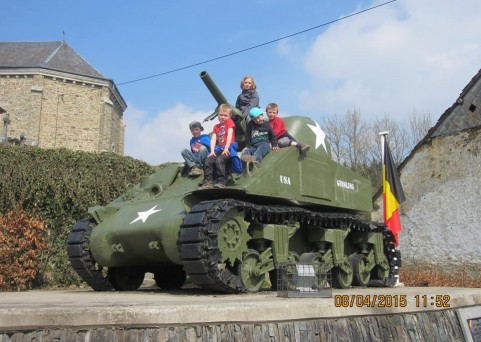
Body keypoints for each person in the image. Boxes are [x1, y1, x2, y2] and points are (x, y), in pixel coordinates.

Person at [199, 104, 239, 189]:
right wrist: (212, 151)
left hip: (229, 147)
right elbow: (213, 139)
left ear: (230, 116)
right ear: (218, 115)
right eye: (221, 115)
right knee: (208, 160)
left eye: (225, 115)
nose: (223, 117)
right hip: (219, 148)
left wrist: (226, 148)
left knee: (219, 160)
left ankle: (222, 181)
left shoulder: (229, 122)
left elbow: (229, 135)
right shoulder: (216, 127)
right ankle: (208, 181)